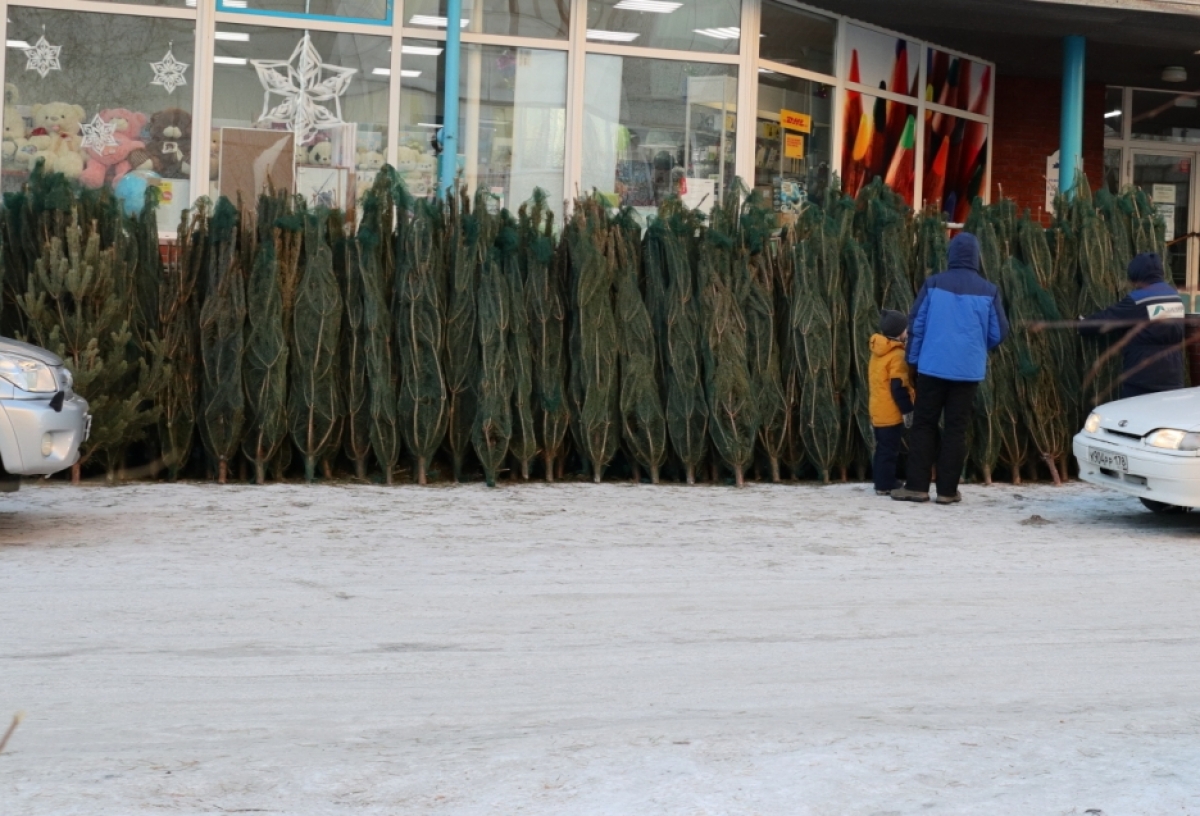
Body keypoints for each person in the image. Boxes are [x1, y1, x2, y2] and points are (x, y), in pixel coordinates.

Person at [892, 232, 1008, 505]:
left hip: (931, 367)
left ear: (952, 255)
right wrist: (975, 347)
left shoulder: (933, 284)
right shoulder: (989, 290)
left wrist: (913, 359)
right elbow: (999, 332)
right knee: (957, 428)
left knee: (924, 425)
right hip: (967, 372)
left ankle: (917, 487)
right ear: (977, 257)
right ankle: (947, 491)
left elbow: (916, 325)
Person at [1078, 252, 1185, 400]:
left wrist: (1083, 325)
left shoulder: (1139, 299)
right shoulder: (1174, 296)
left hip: (1144, 376)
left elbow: (1109, 318)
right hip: (1173, 373)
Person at [868, 310, 915, 496]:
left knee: (882, 448)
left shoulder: (877, 352)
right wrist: (907, 410)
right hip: (890, 411)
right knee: (889, 450)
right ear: (899, 332)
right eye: (905, 329)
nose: (907, 332)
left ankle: (880, 480)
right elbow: (898, 386)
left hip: (877, 409)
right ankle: (886, 484)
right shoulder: (896, 355)